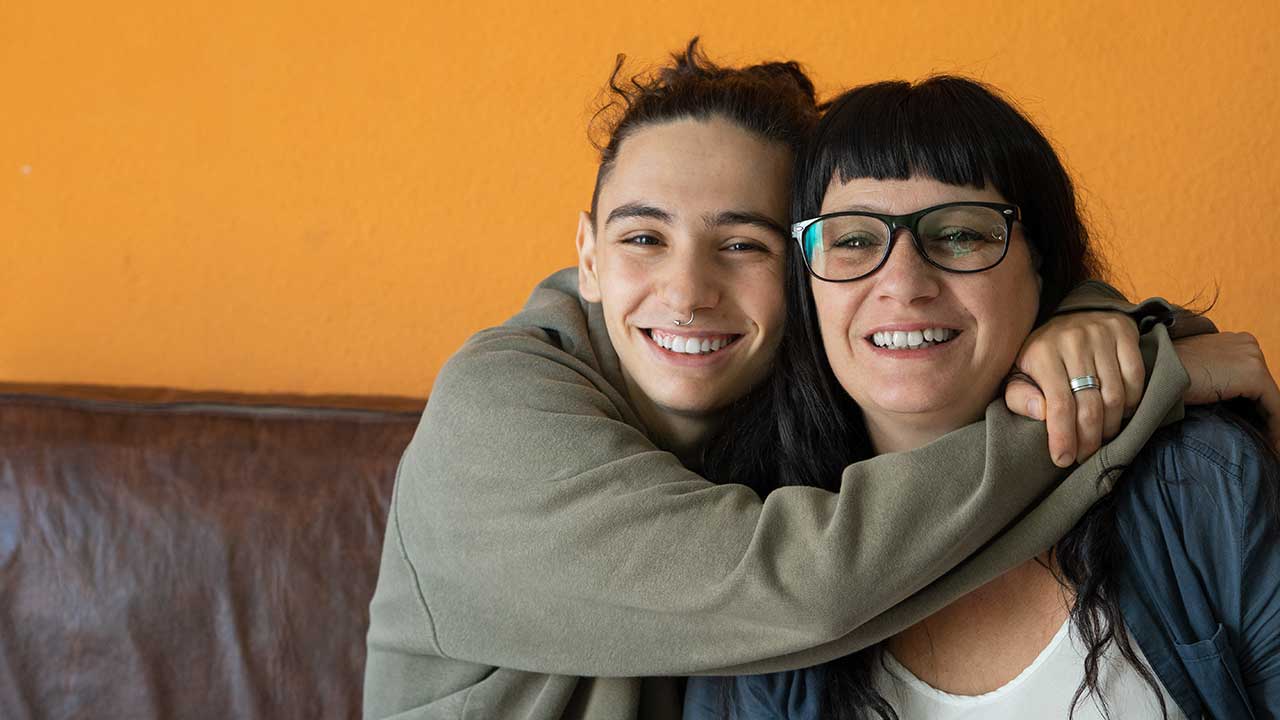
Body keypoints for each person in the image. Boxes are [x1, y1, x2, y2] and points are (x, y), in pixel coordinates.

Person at [363, 42, 1273, 720]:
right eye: (643, 237)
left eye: (742, 243)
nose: (686, 293)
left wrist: (1094, 328)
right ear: (587, 257)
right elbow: (793, 589)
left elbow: (934, 272)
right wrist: (1126, 390)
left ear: (796, 276)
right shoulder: (496, 410)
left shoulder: (759, 403)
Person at [686, 76, 1279, 719]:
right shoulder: (742, 547)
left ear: (1042, 265)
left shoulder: (1198, 485)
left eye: (962, 234)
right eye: (854, 239)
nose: (904, 284)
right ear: (806, 285)